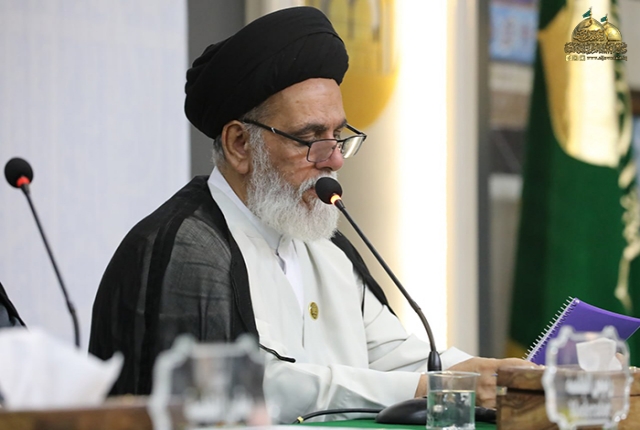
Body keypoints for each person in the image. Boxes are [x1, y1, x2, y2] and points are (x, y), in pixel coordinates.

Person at [89, 6, 527, 422]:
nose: (334, 159)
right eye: (312, 138)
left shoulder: (324, 245)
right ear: (240, 144)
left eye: (338, 135)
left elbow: (397, 356)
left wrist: (500, 376)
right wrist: (428, 389)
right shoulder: (186, 250)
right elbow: (249, 390)